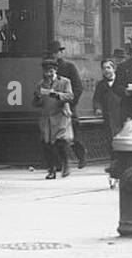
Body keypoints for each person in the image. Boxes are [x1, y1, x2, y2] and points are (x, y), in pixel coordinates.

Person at [46, 39, 86, 169]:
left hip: (68, 106)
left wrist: (70, 103)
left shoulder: (69, 67)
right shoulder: (48, 70)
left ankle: (81, 156)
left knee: (73, 135)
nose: (54, 55)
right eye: (51, 53)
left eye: (56, 52)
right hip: (54, 108)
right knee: (57, 137)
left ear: (60, 53)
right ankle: (60, 163)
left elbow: (78, 87)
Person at [33, 58, 74, 179]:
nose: (48, 74)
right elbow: (36, 103)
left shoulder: (65, 82)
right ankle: (51, 170)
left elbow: (70, 96)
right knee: (47, 145)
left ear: (55, 70)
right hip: (46, 119)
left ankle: (65, 164)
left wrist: (56, 94)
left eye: (51, 71)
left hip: (60, 116)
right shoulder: (40, 84)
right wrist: (37, 98)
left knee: (60, 143)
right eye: (46, 71)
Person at [91, 58, 124, 165]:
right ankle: (114, 161)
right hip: (108, 116)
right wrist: (97, 108)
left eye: (108, 68)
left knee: (122, 138)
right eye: (104, 68)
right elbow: (96, 99)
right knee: (110, 139)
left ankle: (123, 160)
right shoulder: (101, 84)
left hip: (121, 115)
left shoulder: (121, 82)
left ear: (114, 69)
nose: (106, 70)